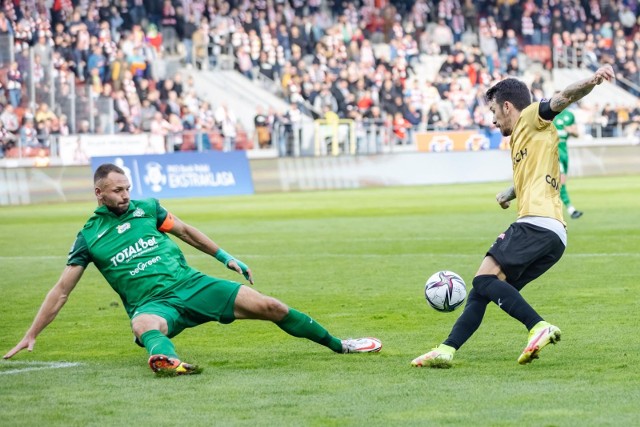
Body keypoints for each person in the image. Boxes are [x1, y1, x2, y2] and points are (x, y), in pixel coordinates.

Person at [3, 163, 382, 375]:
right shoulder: (89, 237)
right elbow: (62, 290)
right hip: (154, 304)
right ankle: (164, 360)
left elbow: (185, 231)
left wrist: (226, 257)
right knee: (144, 326)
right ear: (98, 193)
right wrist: (32, 333)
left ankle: (339, 345)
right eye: (117, 190)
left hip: (192, 284)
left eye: (128, 188)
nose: (126, 195)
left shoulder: (147, 209)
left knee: (274, 307)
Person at [411, 64, 614, 368]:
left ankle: (538, 326)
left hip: (536, 222)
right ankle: (446, 349)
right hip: (553, 233)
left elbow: (564, 97)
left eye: (493, 110)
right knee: (484, 287)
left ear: (507, 106)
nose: (492, 119)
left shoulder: (533, 116)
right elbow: (531, 176)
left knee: (482, 278)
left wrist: (594, 80)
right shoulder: (523, 138)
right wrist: (510, 192)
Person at [553, 105, 584, 219]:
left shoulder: (569, 115)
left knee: (559, 183)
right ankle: (570, 209)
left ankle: (560, 210)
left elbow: (576, 134)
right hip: (554, 153)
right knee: (561, 182)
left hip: (564, 152)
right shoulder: (549, 114)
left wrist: (571, 131)